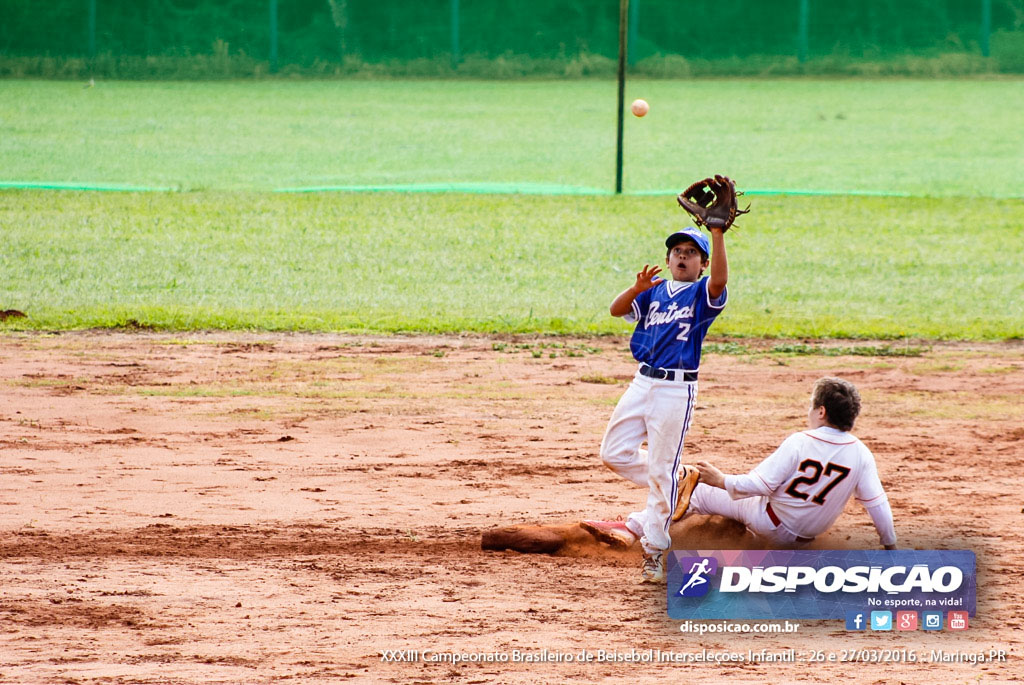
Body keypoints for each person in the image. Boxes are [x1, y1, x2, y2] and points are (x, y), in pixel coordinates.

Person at [586, 377, 898, 581]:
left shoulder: (801, 441)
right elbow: (878, 506)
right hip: (800, 541)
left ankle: (631, 528)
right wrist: (890, 547)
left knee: (695, 489)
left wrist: (721, 479)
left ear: (821, 411)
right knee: (732, 502)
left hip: (768, 519)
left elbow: (758, 485)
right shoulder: (861, 454)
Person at [581, 225, 729, 583]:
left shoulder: (701, 294)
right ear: (667, 259)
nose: (682, 256)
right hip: (642, 381)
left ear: (702, 263)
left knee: (660, 475)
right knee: (613, 453)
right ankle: (678, 476)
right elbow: (617, 310)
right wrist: (636, 288)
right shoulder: (654, 293)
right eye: (677, 251)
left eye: (691, 252)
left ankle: (653, 552)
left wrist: (718, 231)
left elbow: (720, 281)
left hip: (676, 391)